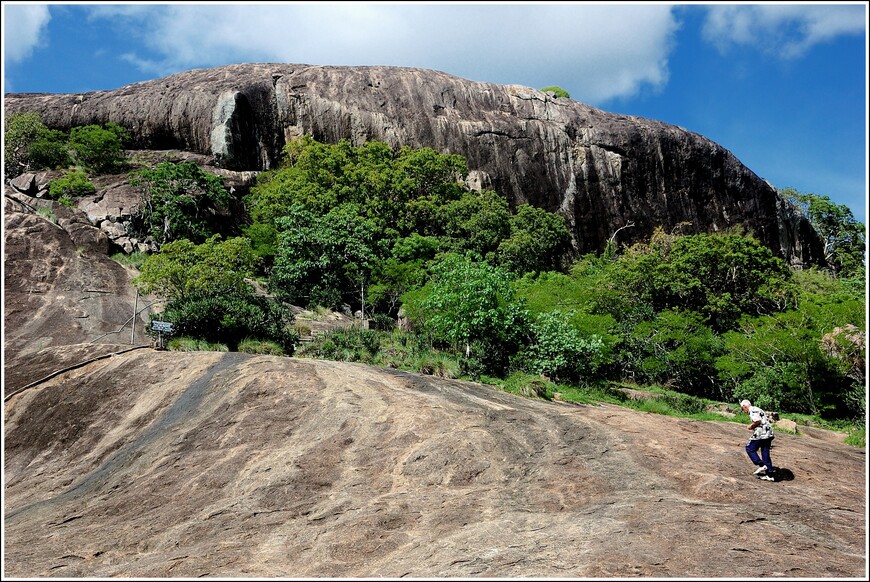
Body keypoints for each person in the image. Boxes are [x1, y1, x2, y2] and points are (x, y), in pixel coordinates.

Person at [740, 399, 776, 481]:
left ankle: (761, 464)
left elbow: (758, 421)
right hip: (769, 433)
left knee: (749, 448)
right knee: (765, 452)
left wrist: (751, 426)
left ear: (745, 406)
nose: (743, 410)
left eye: (743, 408)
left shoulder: (752, 411)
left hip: (761, 433)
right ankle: (770, 475)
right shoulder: (757, 409)